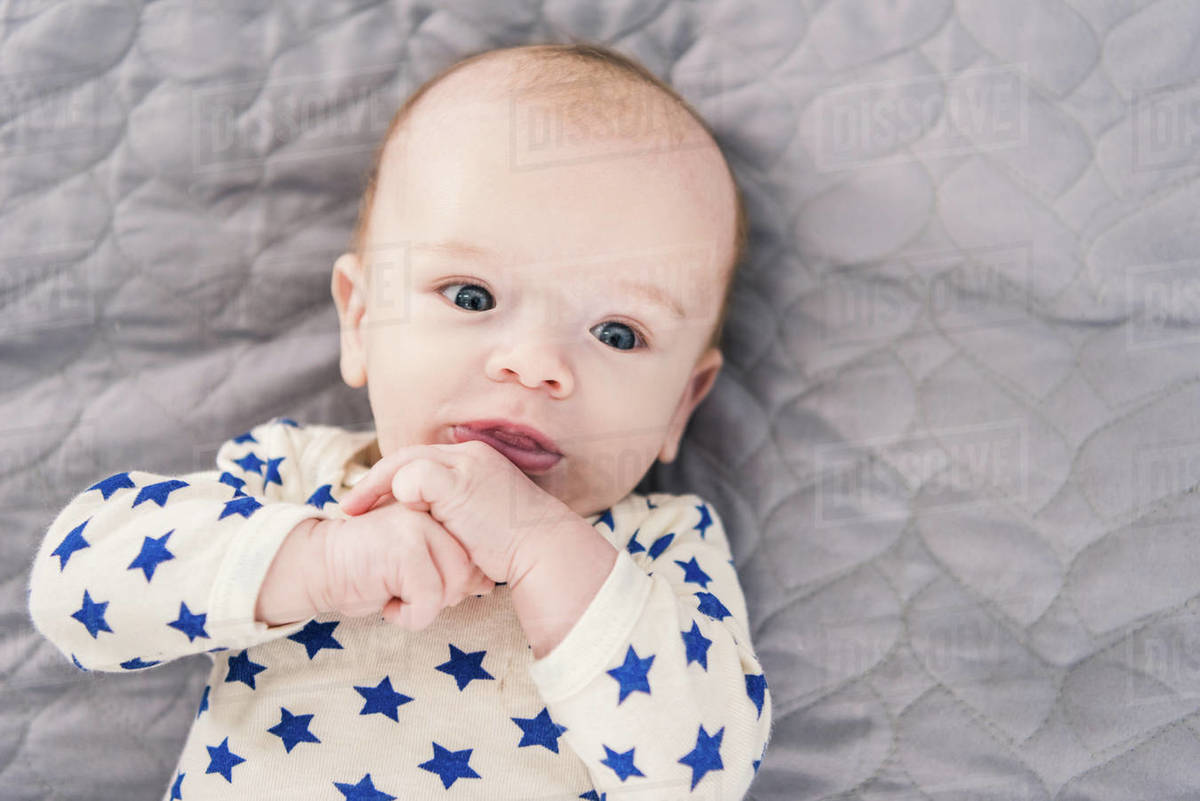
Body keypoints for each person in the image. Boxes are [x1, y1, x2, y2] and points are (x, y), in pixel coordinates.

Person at [27, 41, 773, 800]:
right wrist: (319, 561)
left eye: (619, 333)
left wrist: (541, 544)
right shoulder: (297, 477)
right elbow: (73, 593)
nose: (535, 362)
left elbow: (700, 773)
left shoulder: (658, 550)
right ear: (360, 321)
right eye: (472, 296)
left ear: (682, 402)